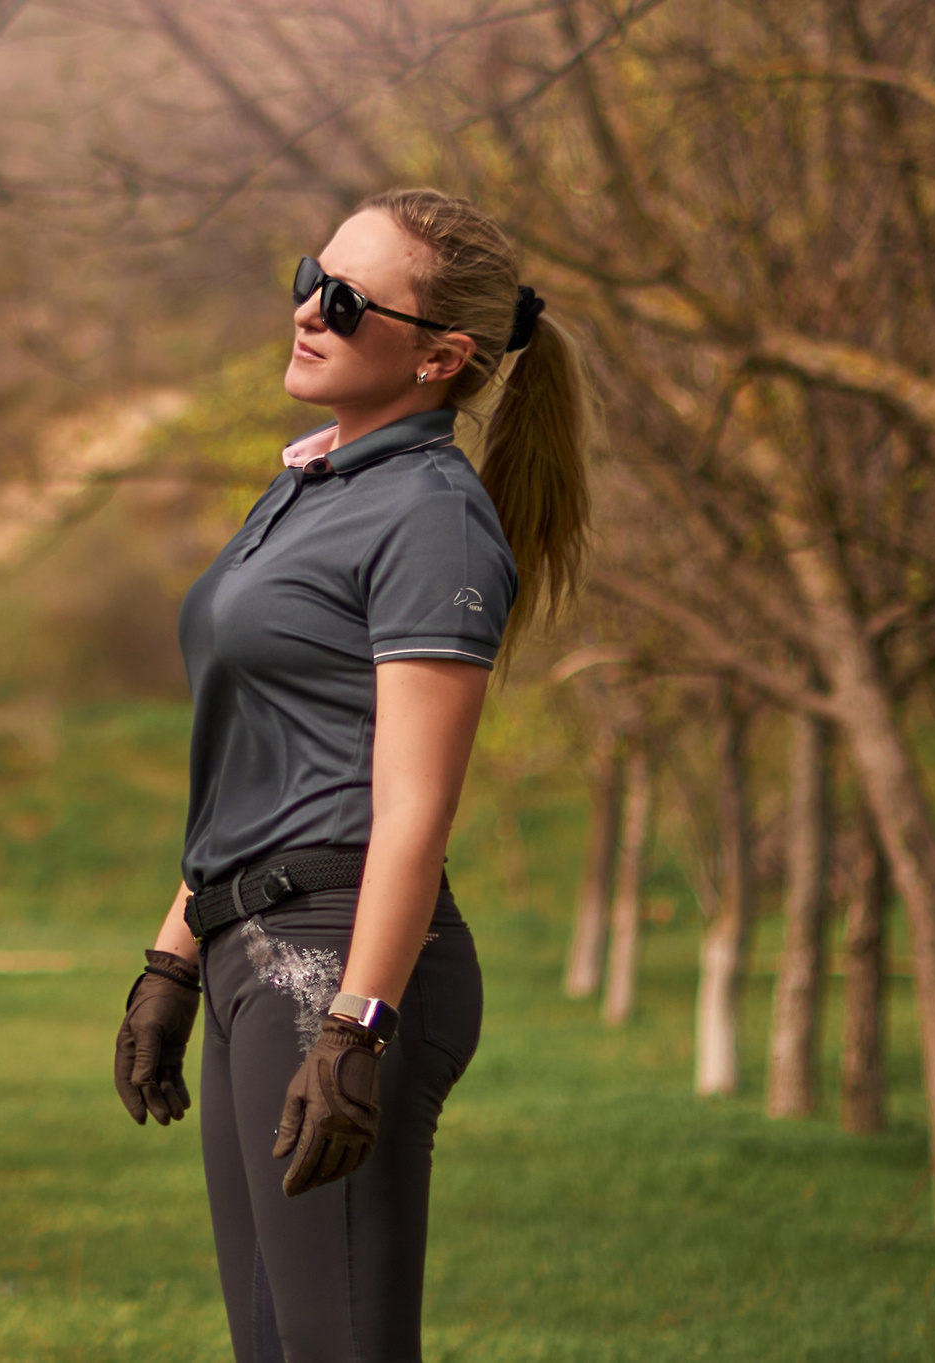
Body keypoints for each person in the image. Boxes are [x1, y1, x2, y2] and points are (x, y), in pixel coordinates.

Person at [112, 190, 591, 1363]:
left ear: (440, 357)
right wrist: (172, 955)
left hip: (335, 958)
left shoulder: (431, 519)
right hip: (249, 951)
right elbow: (251, 754)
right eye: (306, 275)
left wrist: (357, 1026)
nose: (305, 311)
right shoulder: (305, 488)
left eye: (344, 299)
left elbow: (414, 811)